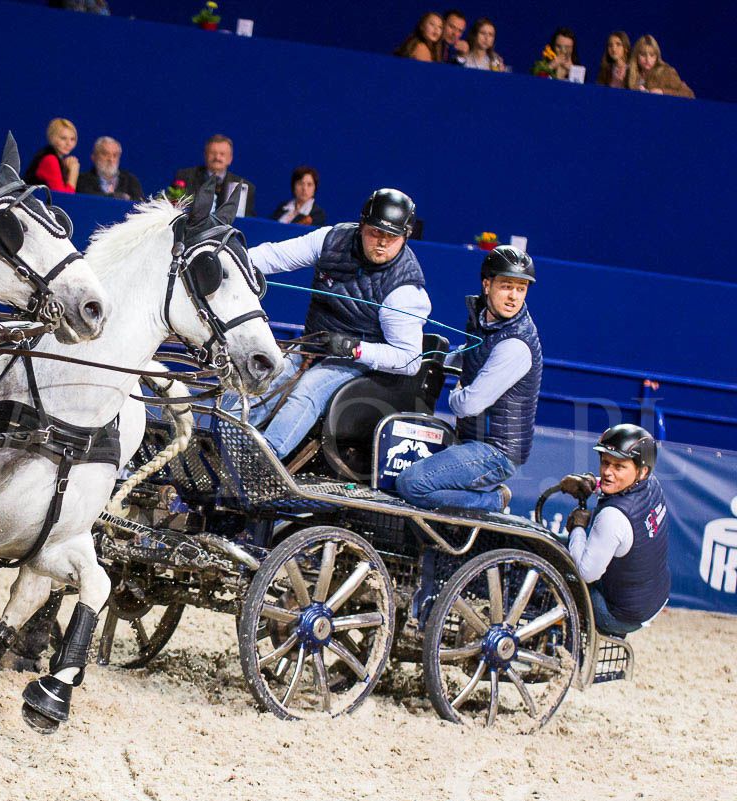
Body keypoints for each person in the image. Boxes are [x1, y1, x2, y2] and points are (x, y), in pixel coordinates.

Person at [239, 189, 430, 460]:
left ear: (406, 236)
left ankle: (262, 459)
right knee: (266, 373)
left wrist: (355, 349)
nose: (382, 243)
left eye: (392, 237)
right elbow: (275, 256)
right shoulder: (331, 240)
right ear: (362, 225)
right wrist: (230, 261)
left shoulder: (404, 291)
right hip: (315, 343)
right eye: (375, 232)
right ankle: (225, 435)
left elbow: (409, 360)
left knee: (309, 389)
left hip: (362, 363)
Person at [396, 247, 540, 513]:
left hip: (496, 453)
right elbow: (473, 353)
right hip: (473, 440)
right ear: (487, 285)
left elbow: (467, 405)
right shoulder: (483, 320)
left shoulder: (515, 345)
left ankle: (493, 501)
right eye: (506, 286)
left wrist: (457, 391)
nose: (513, 296)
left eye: (521, 289)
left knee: (412, 484)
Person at [560, 424, 671, 635]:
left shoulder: (613, 517)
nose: (607, 472)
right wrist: (593, 483)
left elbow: (585, 573)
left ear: (642, 471)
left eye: (619, 467)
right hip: (653, 598)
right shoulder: (651, 483)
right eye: (605, 462)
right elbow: (622, 489)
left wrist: (578, 527)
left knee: (555, 569)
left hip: (618, 616)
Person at [174, 135, 256, 216]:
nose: (217, 157)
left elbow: (246, 221)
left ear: (230, 159)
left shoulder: (243, 187)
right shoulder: (186, 177)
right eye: (213, 153)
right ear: (205, 155)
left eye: (222, 154)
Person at [75, 136, 144, 201]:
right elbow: (87, 200)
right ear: (94, 157)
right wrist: (116, 196)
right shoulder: (82, 180)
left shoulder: (131, 181)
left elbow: (140, 204)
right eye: (105, 154)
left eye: (115, 155)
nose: (111, 159)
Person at [23, 118, 80, 193]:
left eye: (72, 139)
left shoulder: (55, 158)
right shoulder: (50, 159)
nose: (68, 143)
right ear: (52, 138)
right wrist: (73, 175)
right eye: (63, 138)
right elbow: (63, 197)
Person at [628, 35, 695, 98]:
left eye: (652, 55)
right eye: (643, 55)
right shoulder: (632, 73)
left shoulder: (666, 72)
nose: (648, 59)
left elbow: (689, 94)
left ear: (657, 56)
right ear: (636, 56)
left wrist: (663, 92)